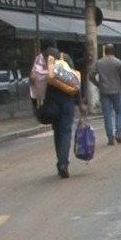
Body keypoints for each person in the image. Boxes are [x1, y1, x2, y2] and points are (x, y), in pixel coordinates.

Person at [31, 45, 78, 178]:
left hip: (52, 102)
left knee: (57, 131)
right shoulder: (65, 57)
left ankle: (60, 162)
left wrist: (35, 106)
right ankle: (63, 162)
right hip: (67, 100)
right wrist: (80, 102)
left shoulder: (41, 60)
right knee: (65, 132)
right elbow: (74, 80)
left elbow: (34, 84)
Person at [91, 47, 121, 145]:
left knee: (107, 114)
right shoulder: (118, 62)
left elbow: (91, 75)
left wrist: (98, 84)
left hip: (104, 91)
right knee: (119, 112)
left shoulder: (99, 63)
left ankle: (110, 137)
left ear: (105, 51)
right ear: (113, 51)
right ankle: (118, 133)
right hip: (116, 90)